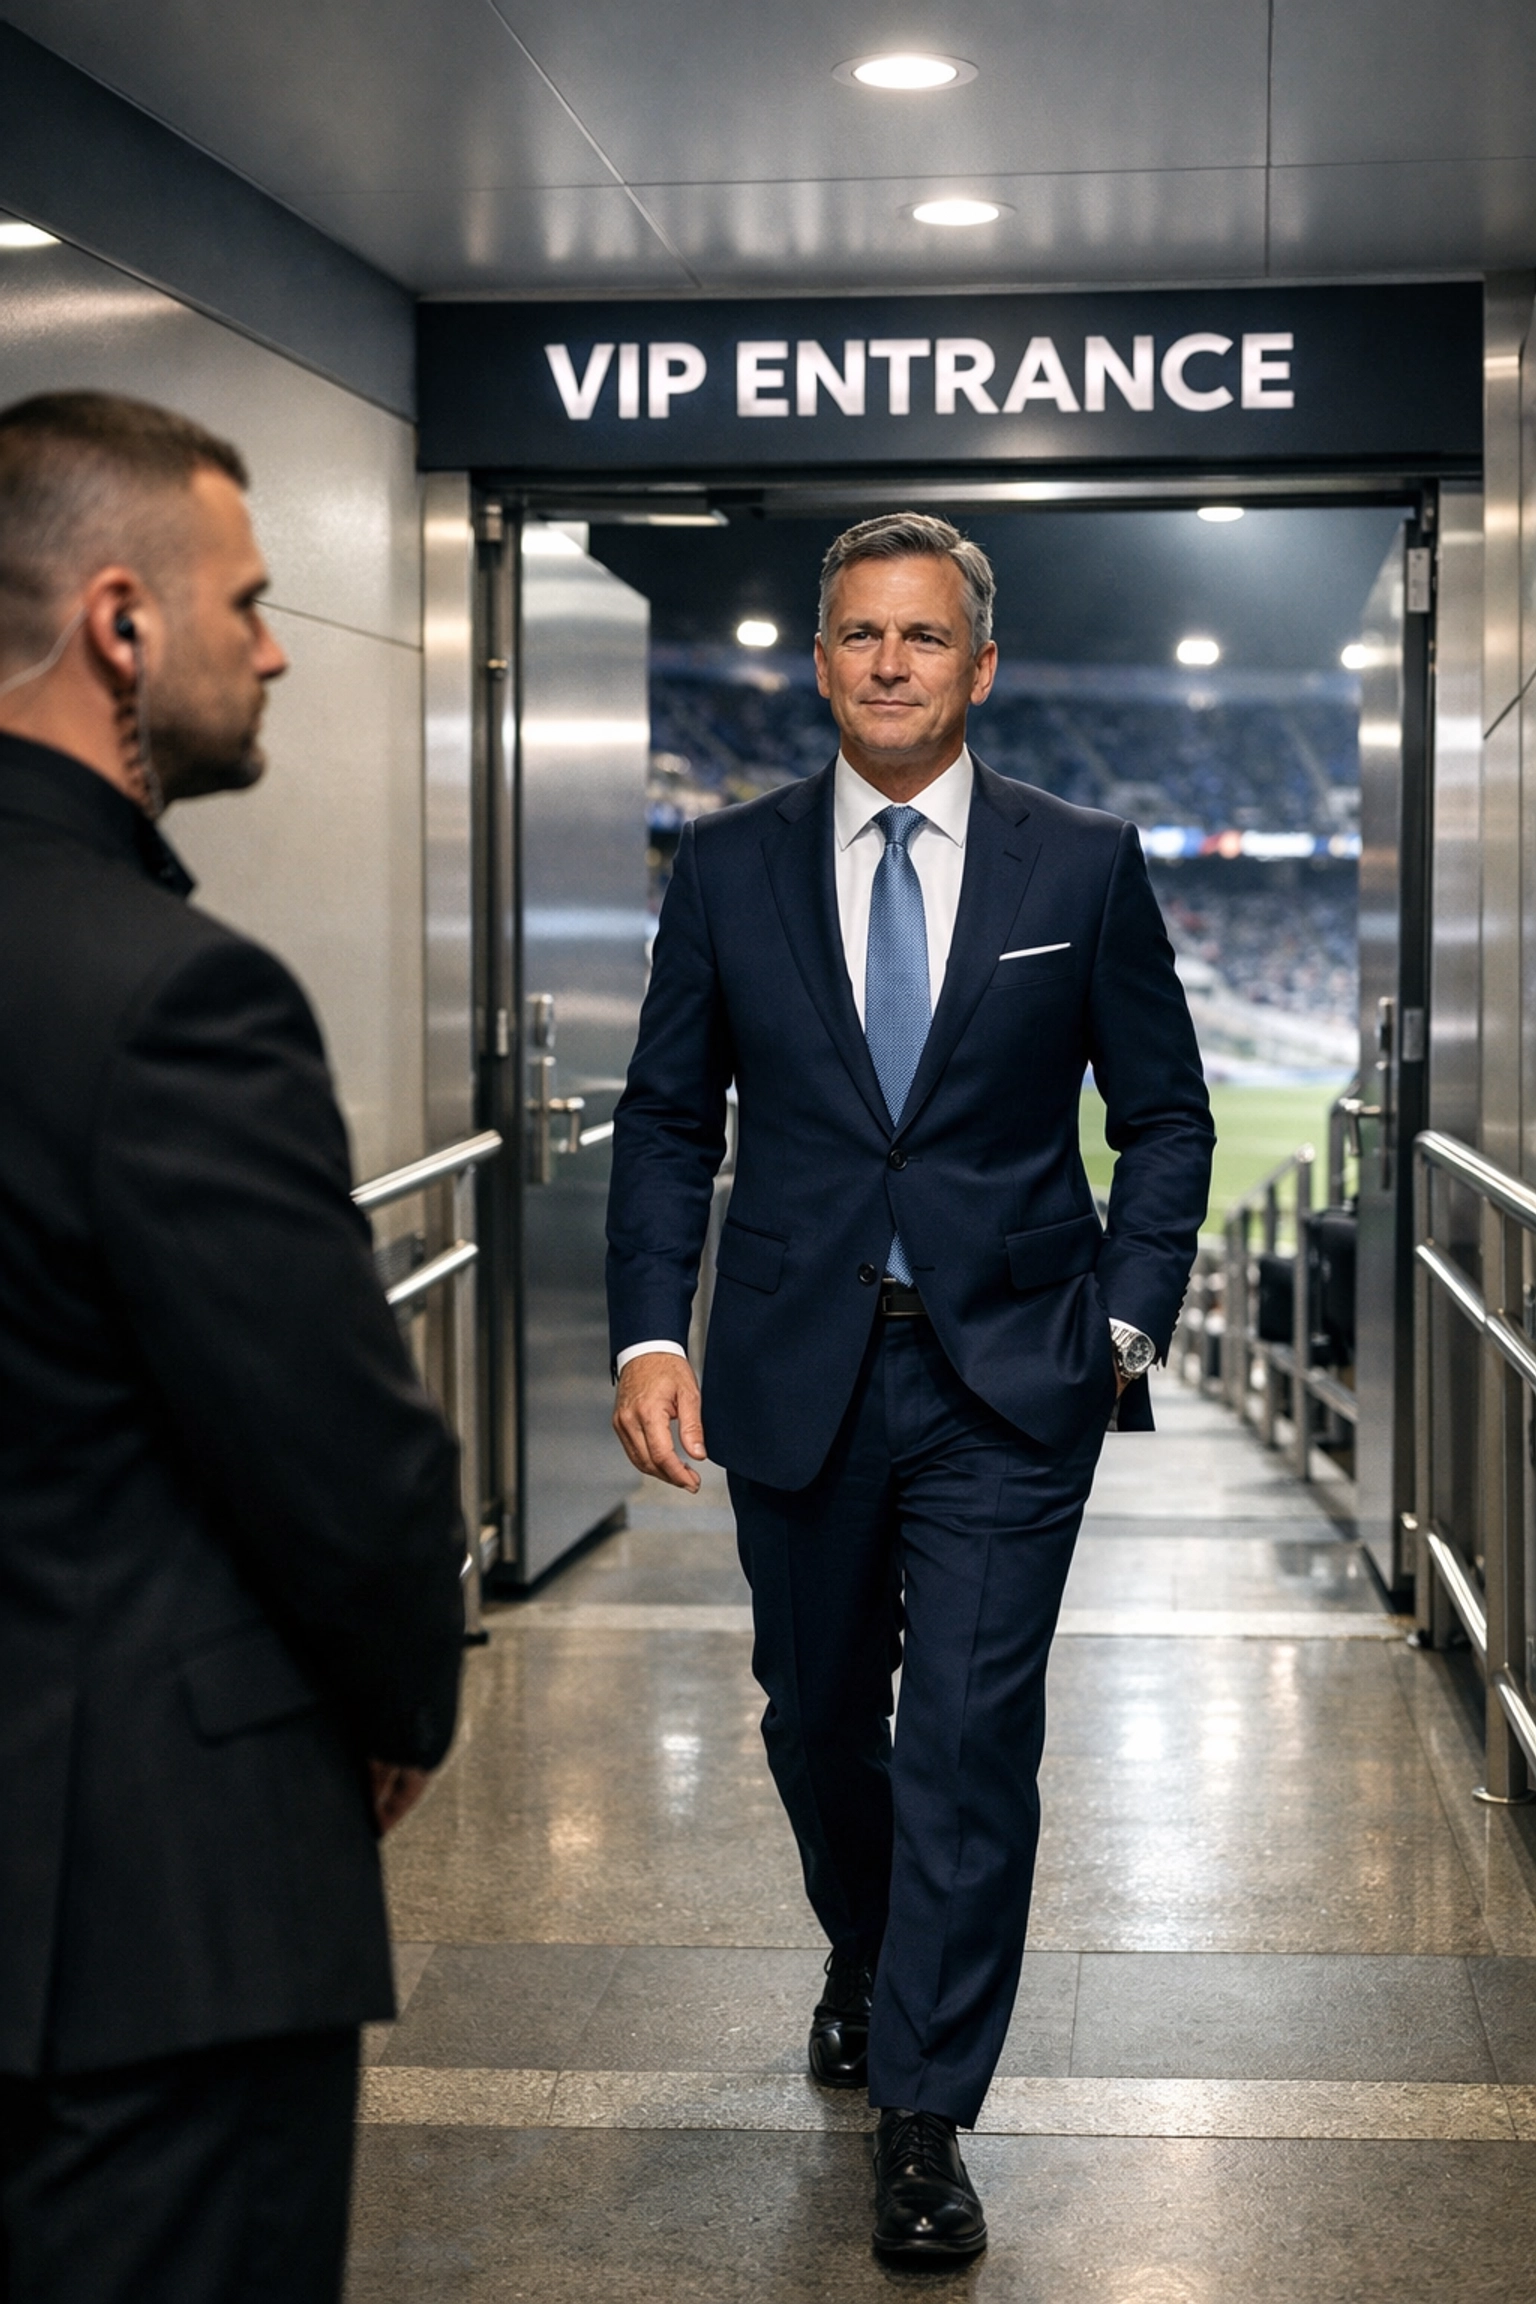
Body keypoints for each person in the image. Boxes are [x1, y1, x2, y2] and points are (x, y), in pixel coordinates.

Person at [608, 511, 1213, 2262]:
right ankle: (865, 1948)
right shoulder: (725, 869)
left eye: (923, 637)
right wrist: (655, 1330)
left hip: (1011, 1380)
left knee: (964, 1741)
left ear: (980, 666)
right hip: (793, 1376)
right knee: (816, 1723)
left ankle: (926, 2114)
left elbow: (1162, 1117)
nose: (889, 662)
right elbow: (665, 1120)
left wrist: (1126, 1317)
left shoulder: (1080, 863)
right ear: (820, 661)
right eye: (859, 634)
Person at [0, 392, 466, 2303]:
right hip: (147, 1917)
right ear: (123, 623)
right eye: (250, 603)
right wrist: (396, 1705)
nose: (275, 647)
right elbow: (339, 1457)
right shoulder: (177, 996)